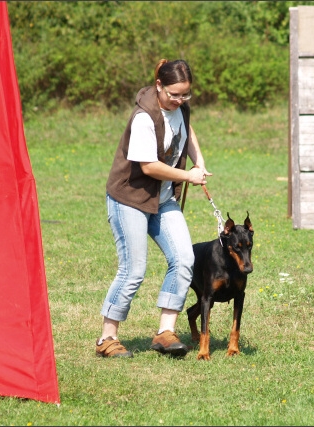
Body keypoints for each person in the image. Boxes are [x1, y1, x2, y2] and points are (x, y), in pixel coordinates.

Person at [96, 59, 211, 358]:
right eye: (174, 94)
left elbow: (187, 128)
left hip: (162, 200)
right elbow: (148, 166)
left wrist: (199, 160)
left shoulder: (179, 108)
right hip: (130, 199)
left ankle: (164, 332)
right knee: (133, 269)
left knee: (184, 259)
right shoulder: (144, 118)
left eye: (185, 95)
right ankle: (106, 339)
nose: (180, 101)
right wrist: (188, 175)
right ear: (159, 85)